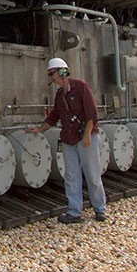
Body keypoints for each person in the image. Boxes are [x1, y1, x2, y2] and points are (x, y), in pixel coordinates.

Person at [27, 57, 107, 223]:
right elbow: (55, 116)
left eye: (51, 74)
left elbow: (92, 113)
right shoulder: (59, 95)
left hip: (86, 137)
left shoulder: (81, 87)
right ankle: (74, 212)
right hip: (69, 139)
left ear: (61, 72)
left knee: (92, 175)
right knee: (71, 176)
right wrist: (39, 129)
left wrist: (87, 135)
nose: (50, 77)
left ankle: (100, 209)